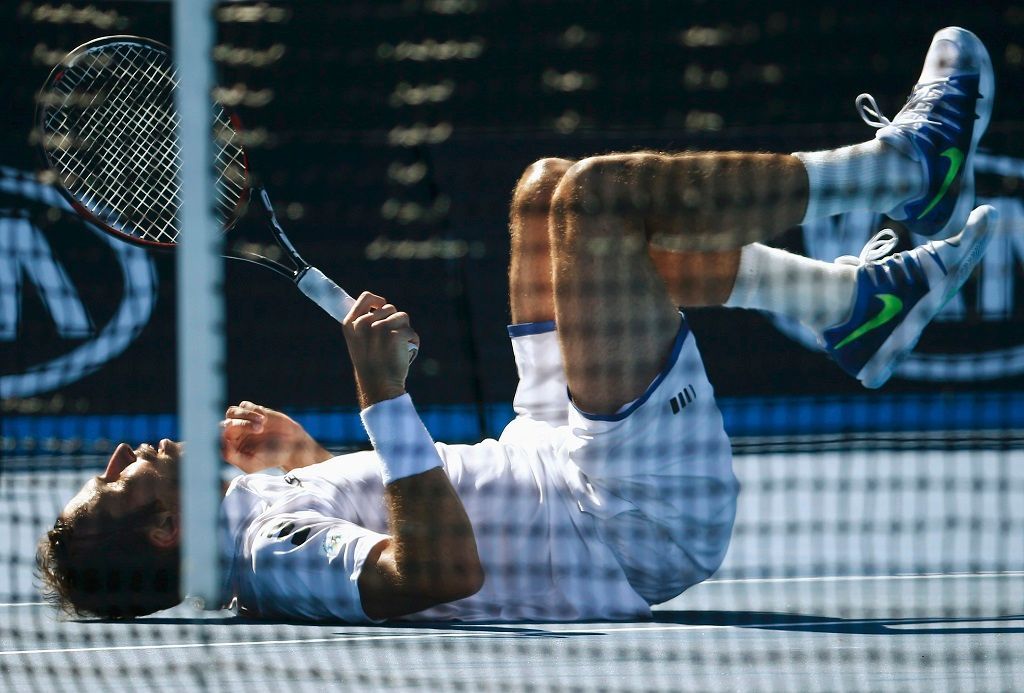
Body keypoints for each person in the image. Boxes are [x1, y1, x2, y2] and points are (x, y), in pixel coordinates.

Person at [38, 27, 999, 621]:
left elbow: (407, 521)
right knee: (601, 199)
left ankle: (852, 310)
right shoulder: (264, 551)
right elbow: (438, 572)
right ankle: (904, 170)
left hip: (547, 452)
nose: (123, 451)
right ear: (163, 531)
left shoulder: (258, 514)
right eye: (115, 483)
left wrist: (312, 454)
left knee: (543, 198)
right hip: (624, 520)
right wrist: (383, 398)